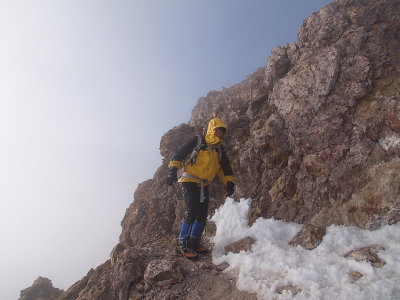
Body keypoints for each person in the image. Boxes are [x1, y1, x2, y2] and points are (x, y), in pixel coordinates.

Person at [166, 118, 235, 259]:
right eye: (218, 130)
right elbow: (180, 153)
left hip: (204, 183)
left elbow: (225, 168)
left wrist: (229, 182)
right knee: (192, 209)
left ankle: (194, 241)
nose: (220, 133)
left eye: (222, 131)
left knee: (202, 213)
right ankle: (183, 243)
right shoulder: (198, 140)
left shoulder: (219, 149)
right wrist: (172, 170)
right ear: (211, 129)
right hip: (189, 178)